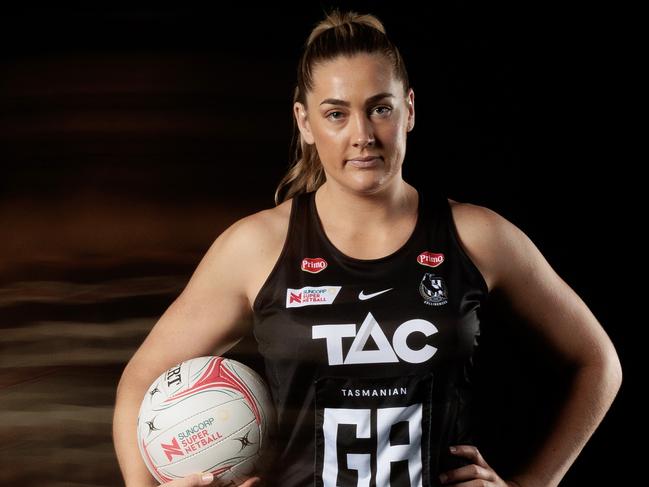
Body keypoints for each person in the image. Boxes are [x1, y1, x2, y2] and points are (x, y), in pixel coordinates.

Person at [112, 9, 622, 487]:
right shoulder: (257, 246)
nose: (362, 135)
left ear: (410, 111)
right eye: (336, 114)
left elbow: (598, 362)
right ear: (305, 123)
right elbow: (140, 381)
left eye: (380, 108)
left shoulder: (477, 236)